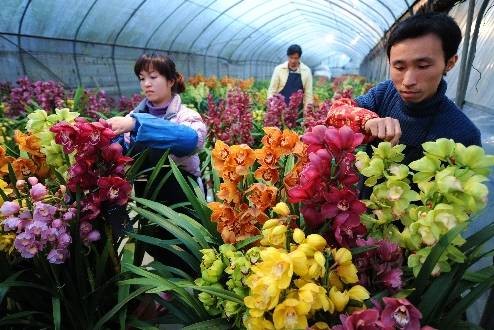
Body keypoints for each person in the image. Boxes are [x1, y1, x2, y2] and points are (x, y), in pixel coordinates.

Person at [107, 53, 206, 270]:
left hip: (183, 194)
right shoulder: (131, 117)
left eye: (153, 76)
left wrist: (137, 125)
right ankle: (167, 289)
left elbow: (192, 141)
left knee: (189, 246)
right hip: (147, 195)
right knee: (156, 243)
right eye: (142, 78)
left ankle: (190, 288)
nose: (147, 84)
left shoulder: (185, 116)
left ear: (171, 80)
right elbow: (119, 153)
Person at [354, 12, 481, 165]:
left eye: (422, 66)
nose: (408, 81)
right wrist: (366, 120)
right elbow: (337, 112)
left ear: (449, 63)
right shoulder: (384, 94)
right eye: (399, 67)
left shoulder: (463, 134)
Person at [268, 44, 313, 110]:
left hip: (297, 110)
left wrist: (307, 112)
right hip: (280, 108)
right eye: (291, 57)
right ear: (287, 56)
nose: (293, 61)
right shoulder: (279, 69)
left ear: (299, 57)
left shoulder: (306, 71)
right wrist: (271, 105)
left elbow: (308, 93)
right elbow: (272, 89)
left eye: (296, 58)